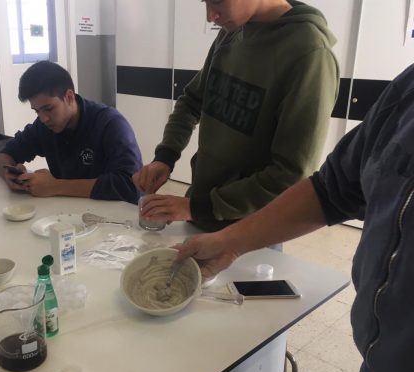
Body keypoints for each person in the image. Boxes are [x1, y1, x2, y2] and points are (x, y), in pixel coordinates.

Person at [174, 64, 414, 372]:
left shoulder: (309, 55)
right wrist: (229, 242)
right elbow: (331, 189)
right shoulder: (408, 88)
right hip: (378, 358)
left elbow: (291, 171)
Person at [134, 0, 339, 231]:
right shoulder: (232, 31)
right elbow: (191, 101)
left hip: (251, 229)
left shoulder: (310, 53)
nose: (210, 16)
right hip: (201, 211)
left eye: (218, 1)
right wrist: (165, 156)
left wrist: (198, 207)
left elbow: (291, 175)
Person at [0, 61, 142, 204]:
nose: (43, 118)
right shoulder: (43, 125)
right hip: (66, 213)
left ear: (69, 97)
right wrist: (8, 174)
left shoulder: (110, 123)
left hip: (112, 214)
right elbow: (5, 154)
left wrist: (55, 186)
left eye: (48, 108)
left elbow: (131, 185)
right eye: (36, 111)